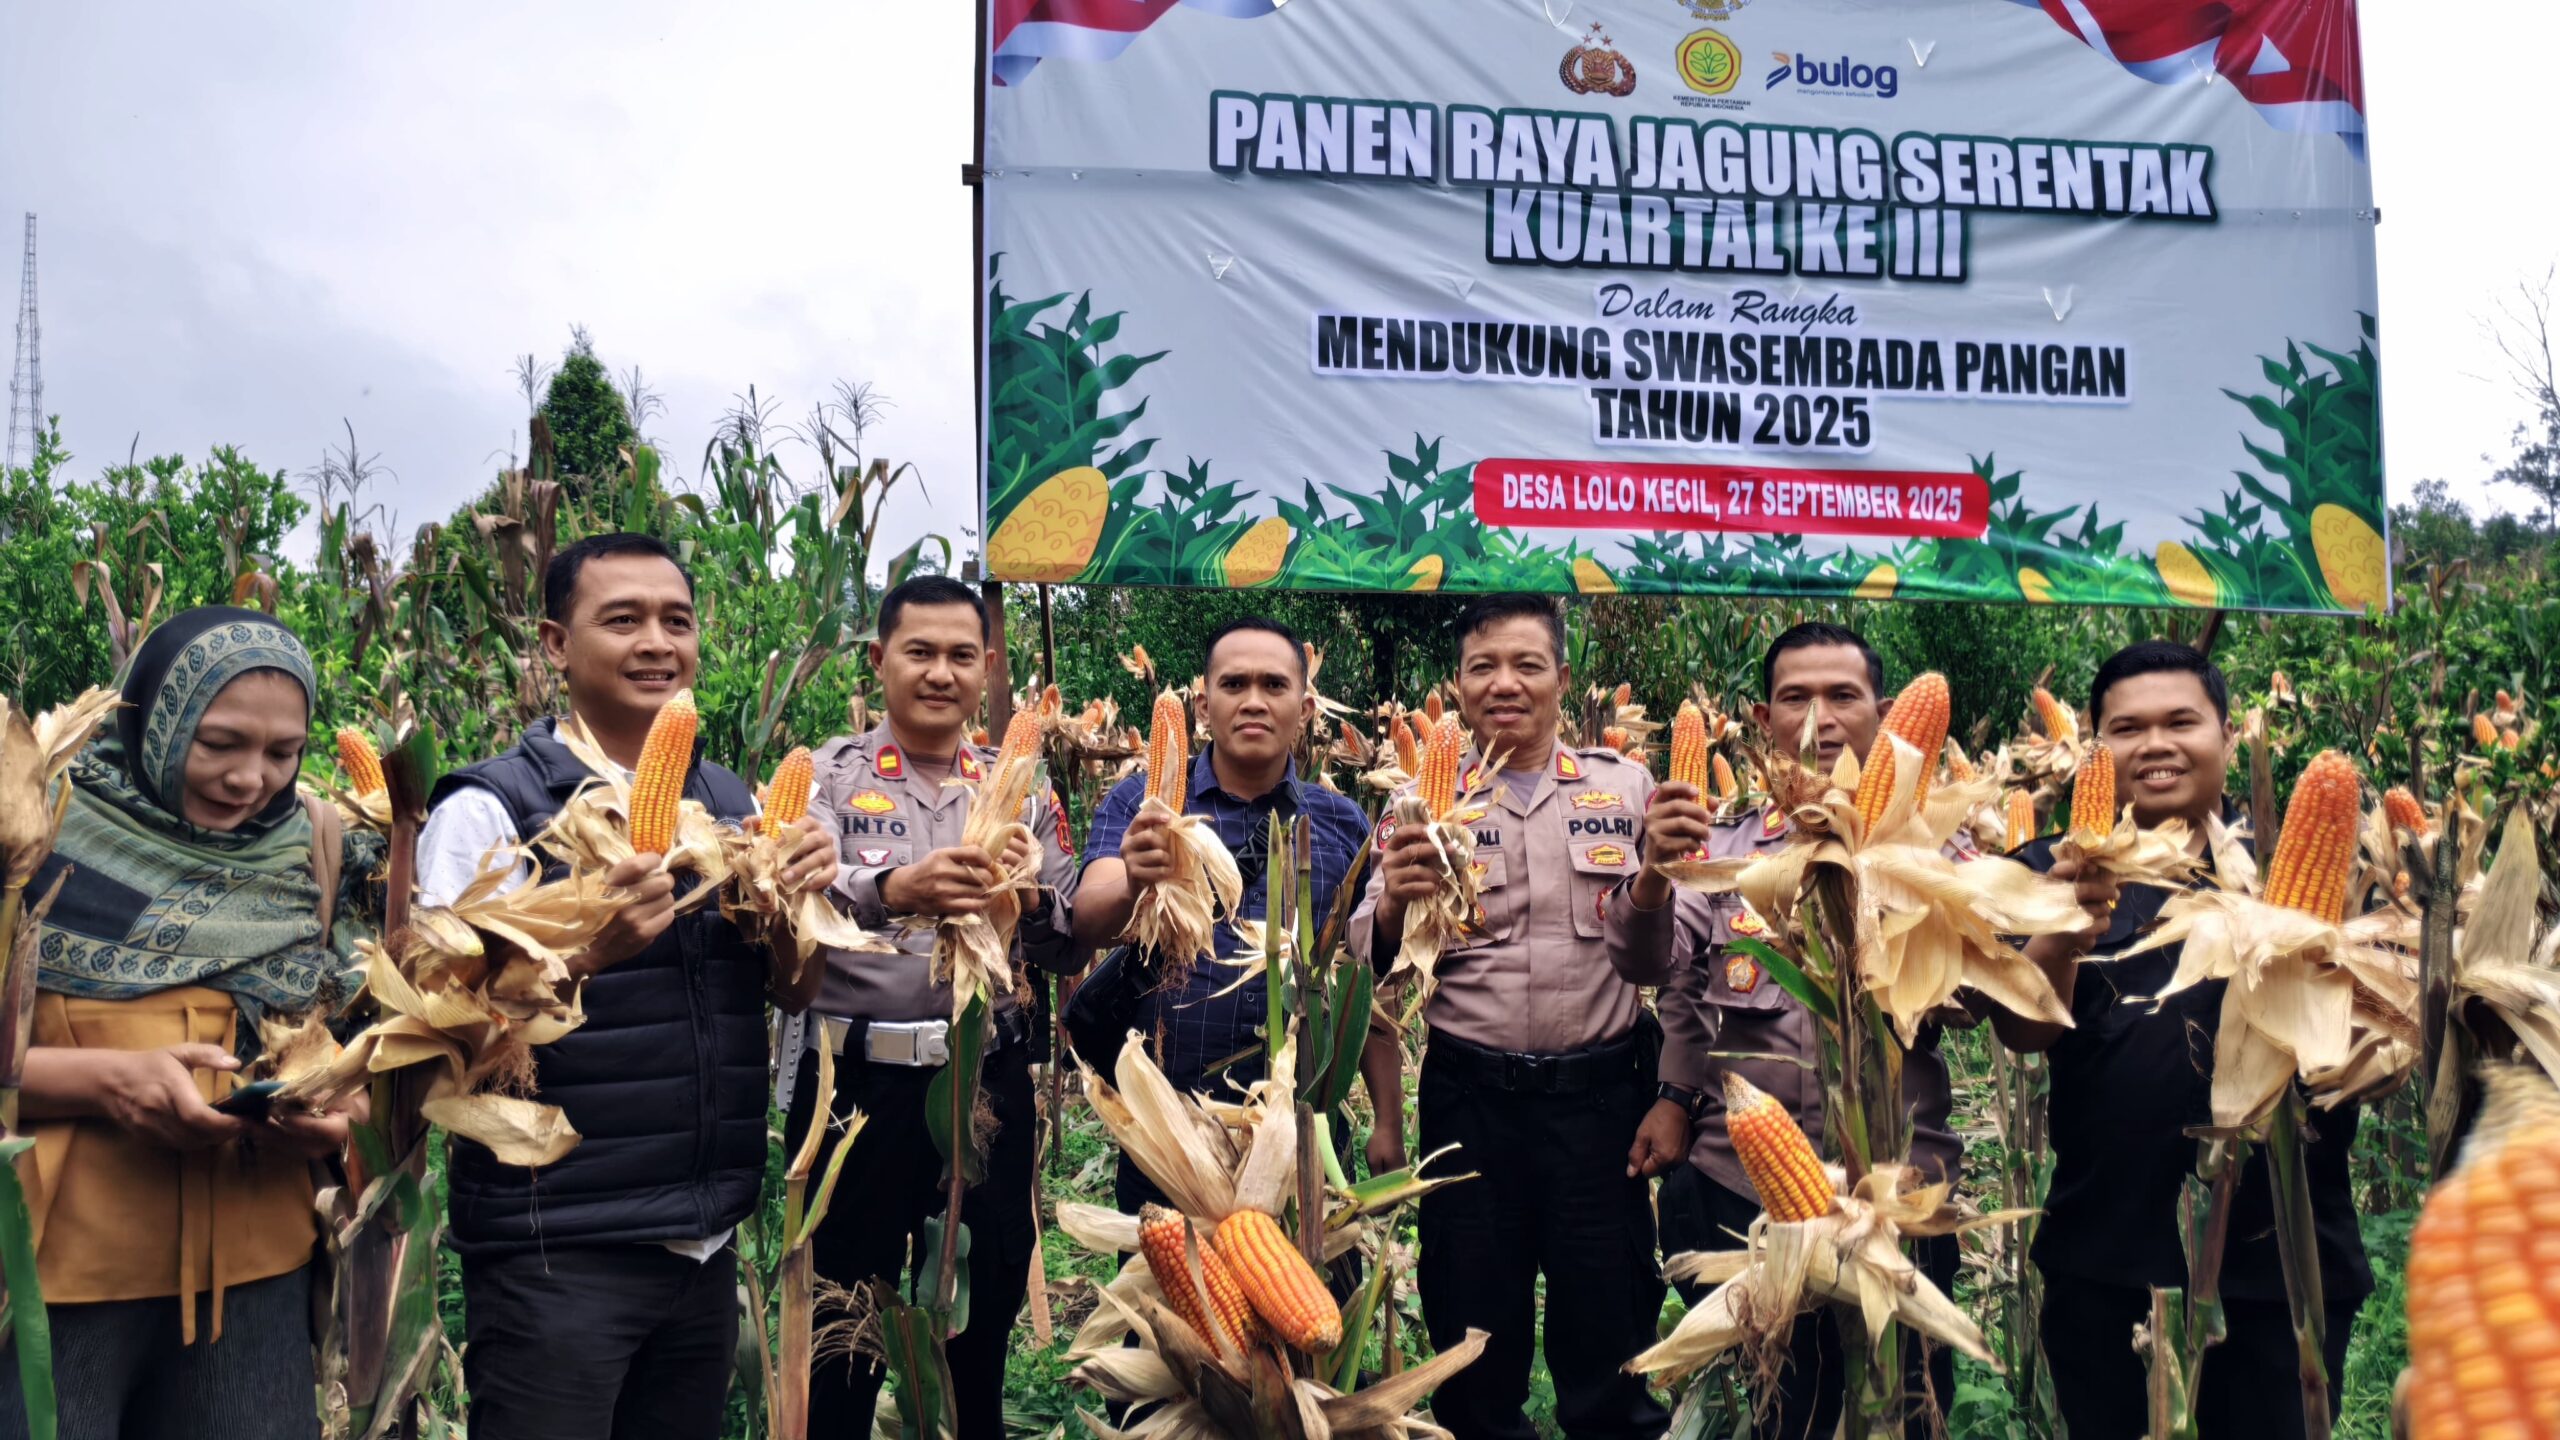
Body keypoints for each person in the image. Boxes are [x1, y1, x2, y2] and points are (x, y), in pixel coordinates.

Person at [415, 533, 834, 1440]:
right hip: (558, 1249)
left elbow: (794, 993)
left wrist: (800, 906)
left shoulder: (727, 799)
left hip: (701, 1242)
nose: (657, 643)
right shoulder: (492, 808)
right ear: (556, 643)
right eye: (623, 619)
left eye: (676, 621)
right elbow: (435, 1040)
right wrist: (588, 953)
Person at [4, 607, 377, 1440]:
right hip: (46, 1280)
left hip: (255, 1281)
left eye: (284, 753)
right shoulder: (33, 833)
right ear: (155, 718)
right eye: (220, 744)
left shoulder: (315, 849)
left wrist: (331, 1120)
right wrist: (106, 1084)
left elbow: (371, 1056)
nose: (253, 780)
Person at [1992, 640, 2368, 1440]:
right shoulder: (2045, 869)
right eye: (2127, 728)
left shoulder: (2307, 861)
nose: (2155, 744)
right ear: (2094, 747)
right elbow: (2022, 1033)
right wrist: (2062, 932)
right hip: (2108, 1259)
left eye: (2181, 722)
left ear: (2228, 738)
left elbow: (2369, 1057)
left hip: (2286, 1272)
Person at [1603, 622, 1964, 1439]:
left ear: (1882, 713)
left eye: (1843, 695)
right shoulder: (1723, 851)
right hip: (1745, 1194)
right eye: (1795, 696)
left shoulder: (1941, 853)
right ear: (1763, 719)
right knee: (1770, 1417)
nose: (1820, 716)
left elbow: (1979, 999)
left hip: (1899, 1198)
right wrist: (1655, 873)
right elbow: (1648, 964)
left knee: (1900, 1415)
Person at [1348, 595, 1669, 1440]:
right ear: (1455, 686)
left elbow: (1665, 955)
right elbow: (1363, 957)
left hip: (1600, 1107)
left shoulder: (1624, 788)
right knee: (1473, 1347)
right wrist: (1392, 911)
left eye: (1527, 665)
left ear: (1564, 680)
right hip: (1472, 1104)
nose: (1505, 684)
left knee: (1612, 1338)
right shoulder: (1420, 799)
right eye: (1483, 666)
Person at [774, 575, 1080, 1440]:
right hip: (858, 1085)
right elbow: (788, 889)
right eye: (919, 652)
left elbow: (1061, 937)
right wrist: (894, 887)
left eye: (960, 655)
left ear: (986, 669)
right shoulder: (826, 775)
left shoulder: (1020, 785)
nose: (940, 673)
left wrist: (1033, 898)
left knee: (980, 1323)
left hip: (985, 1085)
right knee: (845, 1319)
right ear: (880, 662)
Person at [1065, 615, 1381, 1211]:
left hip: (1297, 1126)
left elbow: (1363, 976)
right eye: (1234, 685)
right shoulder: (1141, 801)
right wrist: (1134, 876)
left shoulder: (1342, 822)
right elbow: (1088, 917)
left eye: (1274, 686)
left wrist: (1387, 1118)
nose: (1254, 702)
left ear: (1306, 707)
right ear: (1203, 706)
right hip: (1168, 1129)